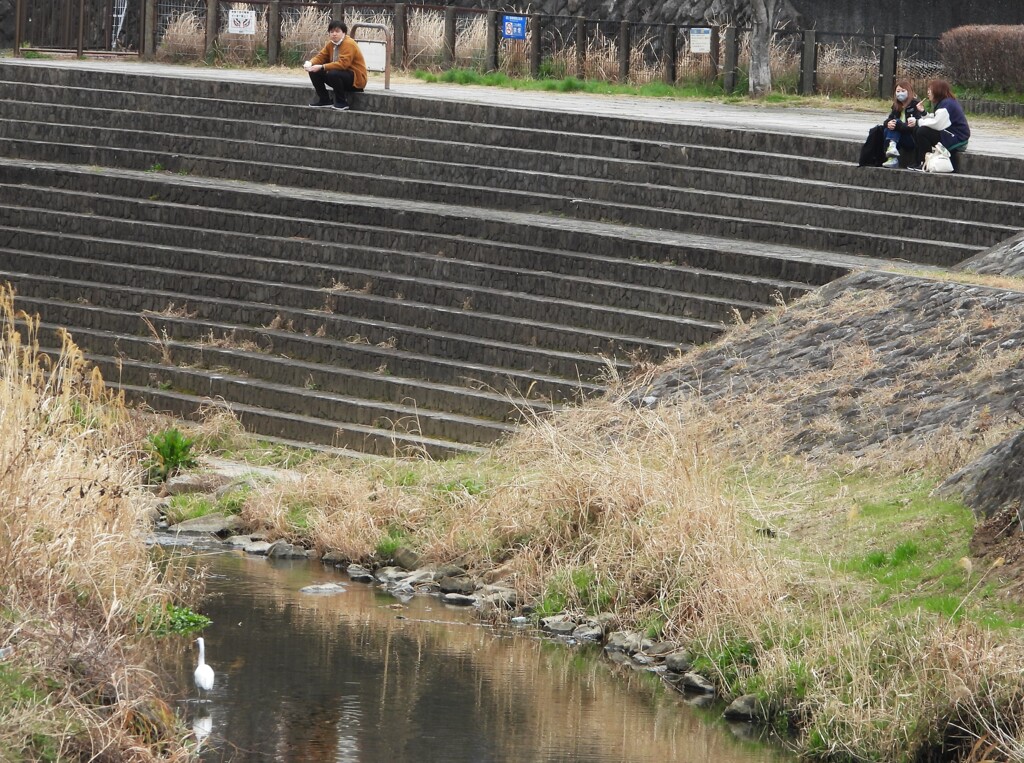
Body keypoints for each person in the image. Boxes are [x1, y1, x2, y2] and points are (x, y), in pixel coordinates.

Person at [303, 20, 367, 111]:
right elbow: (321, 56)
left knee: (332, 73)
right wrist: (310, 63)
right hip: (340, 76)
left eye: (337, 31)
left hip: (355, 80)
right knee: (314, 72)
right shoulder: (331, 44)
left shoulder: (349, 43)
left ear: (343, 33)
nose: (334, 34)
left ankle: (342, 102)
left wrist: (322, 66)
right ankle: (324, 100)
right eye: (331, 32)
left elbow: (343, 64)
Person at [910, 79, 971, 171]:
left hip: (958, 139)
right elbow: (936, 118)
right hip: (952, 135)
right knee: (917, 130)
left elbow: (937, 124)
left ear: (938, 91)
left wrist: (918, 122)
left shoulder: (947, 104)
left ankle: (925, 162)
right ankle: (920, 161)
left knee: (922, 131)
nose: (928, 92)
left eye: (930, 90)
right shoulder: (946, 102)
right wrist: (923, 113)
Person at [880, 80, 924, 168]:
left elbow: (914, 126)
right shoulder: (896, 106)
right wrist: (888, 123)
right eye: (898, 91)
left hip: (910, 139)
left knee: (896, 123)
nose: (900, 93)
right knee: (888, 127)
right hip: (899, 138)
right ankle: (892, 157)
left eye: (903, 91)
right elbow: (888, 119)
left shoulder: (916, 105)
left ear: (909, 92)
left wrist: (898, 125)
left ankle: (892, 147)